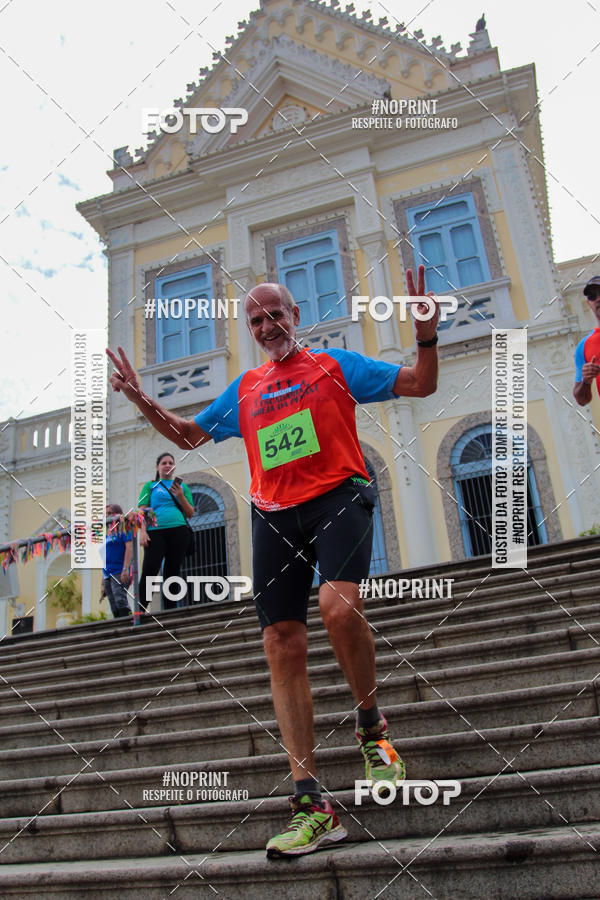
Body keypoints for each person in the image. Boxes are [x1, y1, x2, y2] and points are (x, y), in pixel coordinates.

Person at [107, 265, 439, 857]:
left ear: (295, 315)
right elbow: (187, 436)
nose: (265, 325)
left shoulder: (334, 366)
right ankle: (312, 805)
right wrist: (139, 399)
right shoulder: (246, 387)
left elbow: (419, 384)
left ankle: (372, 731)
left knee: (338, 610)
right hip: (273, 514)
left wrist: (426, 335)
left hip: (339, 496)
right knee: (281, 642)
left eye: (274, 313)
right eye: (254, 319)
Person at [137, 453, 195, 611]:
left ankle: (171, 610)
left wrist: (180, 496)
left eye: (170, 463)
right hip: (155, 532)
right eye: (164, 463)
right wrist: (143, 531)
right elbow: (144, 510)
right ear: (158, 467)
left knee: (173, 571)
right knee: (150, 569)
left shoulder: (182, 487)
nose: (168, 465)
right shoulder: (151, 486)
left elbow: (190, 513)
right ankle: (140, 609)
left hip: (179, 531)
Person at [101, 503, 132, 618]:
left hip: (119, 570)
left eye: (110, 513)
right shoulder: (107, 534)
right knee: (113, 604)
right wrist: (102, 581)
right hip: (107, 574)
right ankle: (120, 627)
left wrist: (125, 569)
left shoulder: (124, 529)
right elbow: (104, 557)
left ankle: (129, 625)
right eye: (106, 514)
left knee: (120, 599)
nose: (107, 516)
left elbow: (129, 547)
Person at [573, 275, 600, 406]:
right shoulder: (584, 346)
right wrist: (586, 381)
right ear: (589, 303)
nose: (598, 298)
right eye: (592, 296)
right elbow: (581, 399)